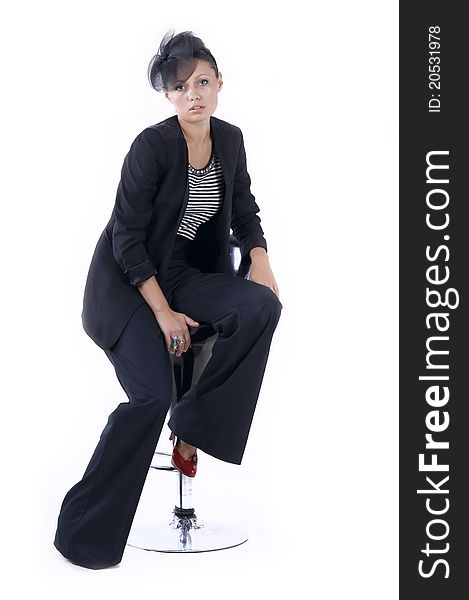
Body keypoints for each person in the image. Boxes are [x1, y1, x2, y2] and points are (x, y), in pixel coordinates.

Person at [53, 29, 283, 569]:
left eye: (203, 81)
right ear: (167, 97)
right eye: (181, 88)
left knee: (261, 307)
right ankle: (83, 533)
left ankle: (193, 425)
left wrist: (261, 260)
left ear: (220, 82)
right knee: (151, 398)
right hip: (128, 288)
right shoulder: (152, 147)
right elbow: (126, 239)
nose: (193, 94)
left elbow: (244, 208)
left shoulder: (230, 139)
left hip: (186, 276)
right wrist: (162, 313)